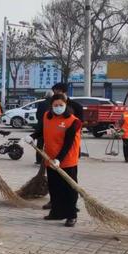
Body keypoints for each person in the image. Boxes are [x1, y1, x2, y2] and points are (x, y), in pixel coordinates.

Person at [26, 93, 82, 227]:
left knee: (69, 189)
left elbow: (68, 144)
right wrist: (32, 136)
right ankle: (56, 212)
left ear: (66, 105)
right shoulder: (47, 116)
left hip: (68, 160)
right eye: (55, 105)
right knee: (55, 187)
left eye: (61, 105)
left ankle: (71, 215)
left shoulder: (74, 121)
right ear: (51, 106)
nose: (58, 107)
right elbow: (42, 131)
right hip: (50, 159)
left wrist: (59, 159)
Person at [34, 90, 53, 165]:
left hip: (41, 126)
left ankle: (39, 160)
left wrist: (41, 121)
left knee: (40, 144)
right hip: (51, 127)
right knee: (50, 144)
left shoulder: (41, 103)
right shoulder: (53, 103)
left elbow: (38, 115)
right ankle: (49, 160)